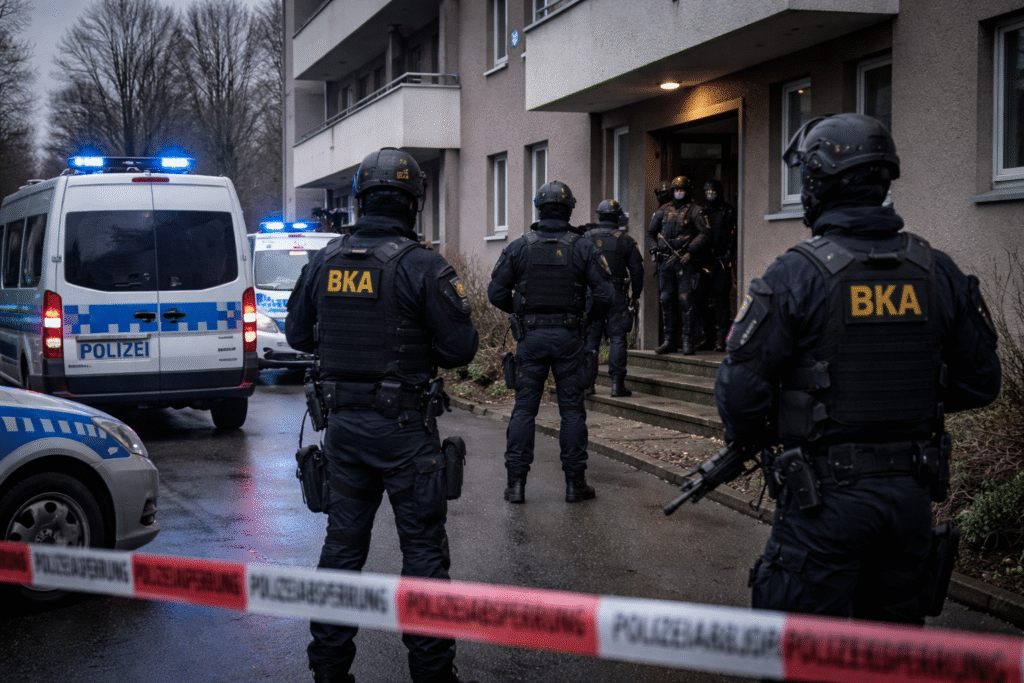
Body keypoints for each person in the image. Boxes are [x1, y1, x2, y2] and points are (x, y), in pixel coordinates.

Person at [715, 113, 1002, 624]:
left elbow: (740, 389)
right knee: (888, 657)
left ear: (817, 184)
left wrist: (796, 419)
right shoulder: (940, 271)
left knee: (802, 655)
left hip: (823, 501)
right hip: (910, 501)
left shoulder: (796, 274)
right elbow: (981, 382)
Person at [286, 147, 480, 683]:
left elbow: (298, 335)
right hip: (405, 435)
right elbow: (462, 347)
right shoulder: (422, 265)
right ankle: (433, 676)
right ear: (413, 204)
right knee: (422, 558)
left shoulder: (323, 260)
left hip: (344, 433)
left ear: (360, 198)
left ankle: (327, 672)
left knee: (342, 554)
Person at [488, 180, 614, 504]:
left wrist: (522, 309)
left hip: (530, 339)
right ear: (569, 209)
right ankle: (575, 484)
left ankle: (516, 485)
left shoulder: (519, 246)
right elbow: (605, 295)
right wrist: (586, 319)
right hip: (570, 339)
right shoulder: (583, 247)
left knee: (523, 411)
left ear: (538, 209)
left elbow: (496, 292)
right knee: (572, 411)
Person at [583, 199, 644, 397]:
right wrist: (636, 295)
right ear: (618, 217)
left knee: (592, 339)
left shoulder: (587, 238)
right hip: (616, 293)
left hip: (593, 295)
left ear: (599, 216)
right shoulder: (625, 240)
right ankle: (617, 385)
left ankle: (588, 385)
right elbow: (637, 271)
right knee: (617, 338)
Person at [645, 175, 710, 355]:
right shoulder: (663, 211)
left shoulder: (696, 210)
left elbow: (704, 233)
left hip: (685, 262)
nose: (678, 193)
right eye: (676, 190)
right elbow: (650, 233)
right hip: (665, 262)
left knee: (685, 299)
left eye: (681, 189)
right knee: (666, 299)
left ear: (687, 191)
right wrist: (653, 249)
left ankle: (687, 340)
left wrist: (690, 251)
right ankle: (669, 340)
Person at [698, 179, 737, 352]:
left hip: (721, 259)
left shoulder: (728, 210)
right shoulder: (702, 211)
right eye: (707, 192)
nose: (710, 195)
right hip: (704, 260)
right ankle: (708, 335)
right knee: (699, 299)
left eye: (712, 192)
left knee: (721, 298)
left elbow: (734, 235)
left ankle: (722, 338)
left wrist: (729, 253)